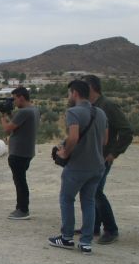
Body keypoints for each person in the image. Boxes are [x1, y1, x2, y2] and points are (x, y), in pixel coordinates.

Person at [48, 80, 108, 254]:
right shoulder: (101, 113)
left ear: (74, 93)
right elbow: (104, 140)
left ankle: (66, 238)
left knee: (66, 199)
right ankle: (86, 243)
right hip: (97, 166)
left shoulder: (73, 112)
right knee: (88, 202)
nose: (68, 97)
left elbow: (73, 137)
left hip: (78, 167)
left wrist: (65, 152)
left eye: (69, 93)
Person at [82, 75, 133, 244]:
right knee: (92, 191)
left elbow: (127, 131)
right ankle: (93, 227)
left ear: (91, 87)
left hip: (103, 158)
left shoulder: (108, 106)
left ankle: (111, 229)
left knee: (95, 191)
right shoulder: (90, 106)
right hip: (92, 157)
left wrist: (114, 153)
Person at [0, 86, 40, 220]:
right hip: (27, 151)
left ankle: (23, 209)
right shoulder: (34, 110)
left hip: (19, 153)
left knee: (20, 181)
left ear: (21, 97)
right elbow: (18, 124)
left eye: (15, 98)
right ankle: (21, 207)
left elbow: (7, 128)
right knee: (20, 180)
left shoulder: (24, 112)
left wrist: (2, 117)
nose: (14, 102)